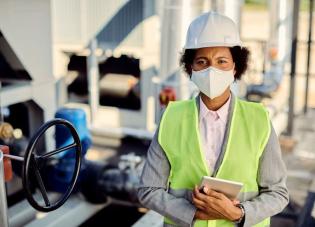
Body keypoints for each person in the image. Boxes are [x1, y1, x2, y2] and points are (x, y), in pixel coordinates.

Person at [137, 11, 289, 227]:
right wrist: (192, 213)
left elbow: (278, 193)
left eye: (221, 61)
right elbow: (148, 190)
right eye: (202, 62)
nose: (211, 70)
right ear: (190, 68)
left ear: (235, 67)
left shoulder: (259, 120)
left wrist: (238, 213)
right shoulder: (172, 117)